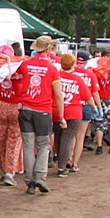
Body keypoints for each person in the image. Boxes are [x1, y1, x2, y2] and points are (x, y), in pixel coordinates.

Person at [11, 35, 64, 194]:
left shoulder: (25, 64)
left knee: (28, 145)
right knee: (43, 145)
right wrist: (60, 116)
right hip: (43, 111)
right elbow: (59, 94)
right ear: (48, 49)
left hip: (25, 109)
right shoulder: (52, 68)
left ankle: (29, 181)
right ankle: (40, 177)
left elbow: (13, 78)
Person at [0, 44, 23, 186]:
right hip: (15, 106)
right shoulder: (20, 66)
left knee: (2, 138)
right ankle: (10, 172)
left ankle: (5, 168)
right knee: (14, 140)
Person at [55, 54, 90, 176]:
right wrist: (96, 107)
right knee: (68, 138)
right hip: (74, 112)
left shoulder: (56, 76)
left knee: (59, 138)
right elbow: (87, 96)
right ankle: (62, 167)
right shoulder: (77, 79)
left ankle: (60, 160)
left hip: (57, 110)